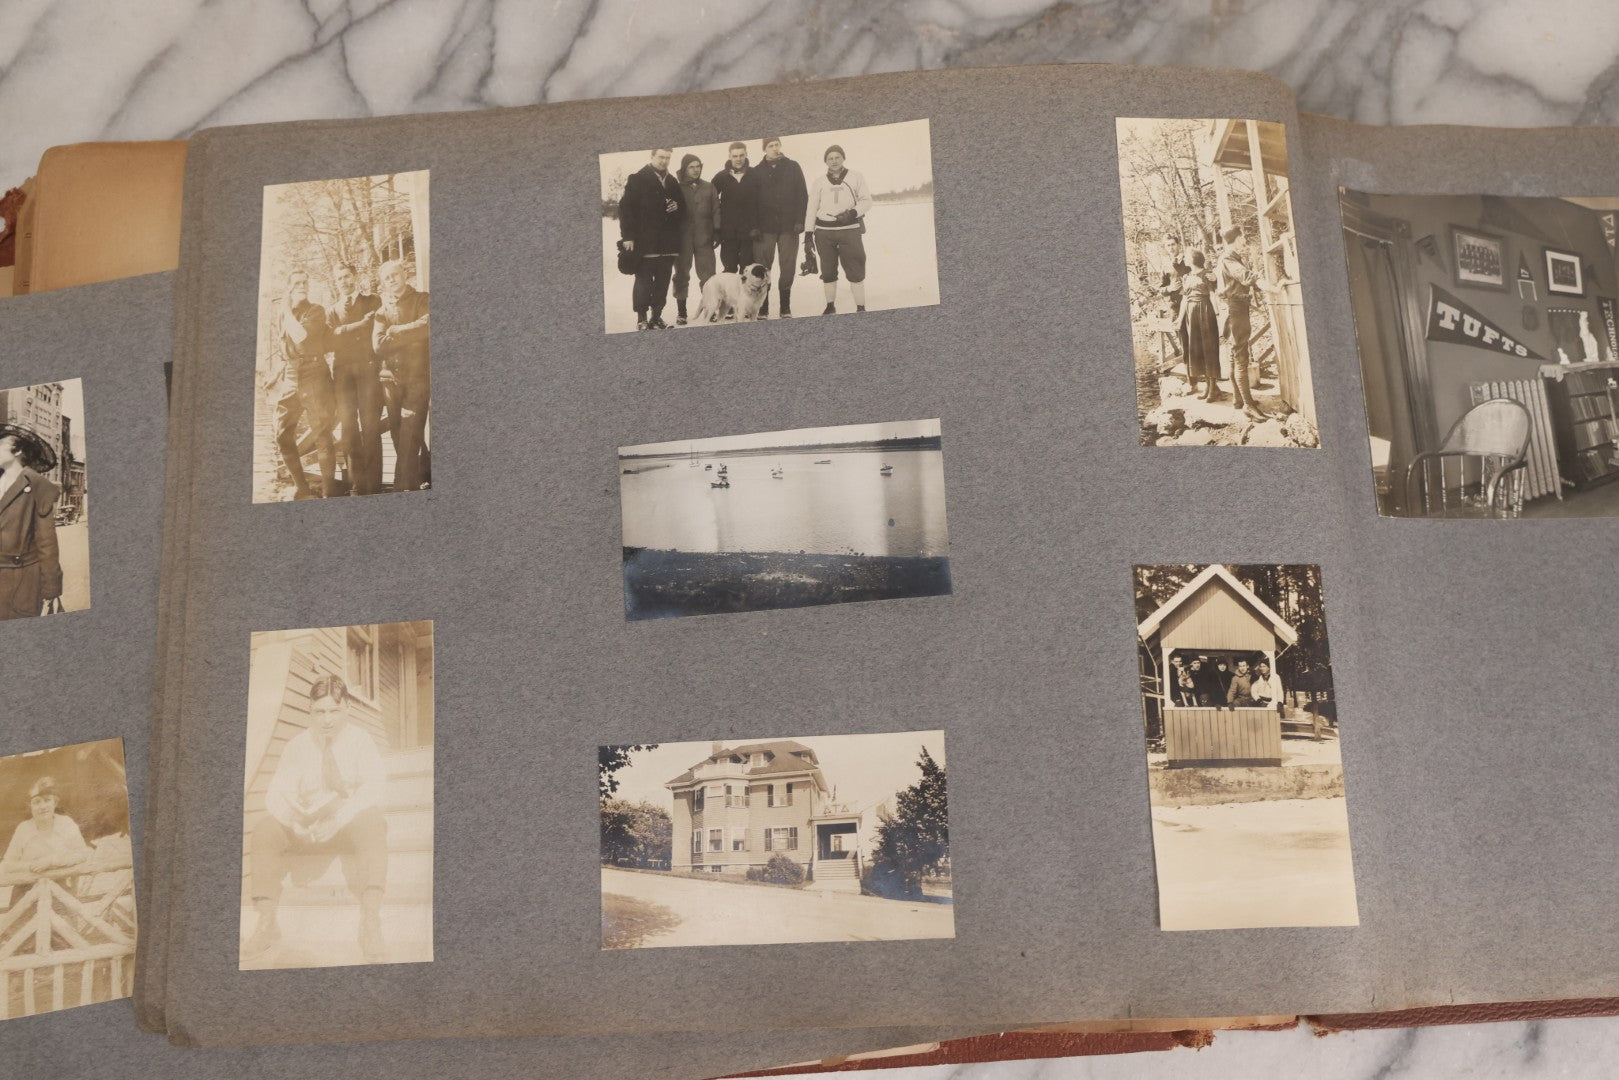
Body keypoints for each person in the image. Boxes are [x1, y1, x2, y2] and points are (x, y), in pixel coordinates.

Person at [242, 674, 389, 965]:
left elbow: (375, 787)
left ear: (346, 707)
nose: (327, 720)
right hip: (306, 829)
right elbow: (277, 793)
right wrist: (293, 820)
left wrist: (340, 818)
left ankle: (371, 921)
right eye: (319, 712)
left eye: (334, 711)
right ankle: (267, 922)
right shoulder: (297, 745)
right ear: (310, 711)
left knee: (373, 822)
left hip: (344, 828)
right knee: (265, 829)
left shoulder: (361, 741)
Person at [264, 270, 338, 500]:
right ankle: (301, 488)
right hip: (291, 376)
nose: (302, 286)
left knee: (321, 433)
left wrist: (285, 310)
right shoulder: (283, 315)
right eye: (297, 283)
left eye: (305, 282)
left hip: (314, 374)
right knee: (282, 434)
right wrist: (277, 373)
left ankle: (328, 490)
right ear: (289, 287)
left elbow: (300, 336)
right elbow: (286, 348)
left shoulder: (316, 310)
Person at [373, 259, 431, 492]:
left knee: (409, 433)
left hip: (417, 378)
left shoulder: (422, 299)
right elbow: (378, 346)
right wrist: (412, 333)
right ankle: (414, 481)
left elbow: (427, 325)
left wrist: (395, 331)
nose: (391, 280)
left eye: (395, 275)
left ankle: (400, 488)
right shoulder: (381, 311)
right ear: (383, 284)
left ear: (404, 275)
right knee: (399, 434)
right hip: (390, 380)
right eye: (387, 278)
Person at [327, 264, 385, 495]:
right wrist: (359, 325)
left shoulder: (373, 301)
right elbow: (330, 340)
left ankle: (374, 486)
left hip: (368, 370)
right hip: (342, 375)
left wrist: (343, 331)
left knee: (371, 426)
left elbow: (377, 328)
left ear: (355, 277)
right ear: (336, 282)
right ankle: (357, 486)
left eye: (348, 277)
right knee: (349, 429)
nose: (345, 282)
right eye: (340, 278)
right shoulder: (332, 311)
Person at [0, 422, 63, 619]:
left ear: (17, 450)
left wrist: (51, 589)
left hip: (22, 582)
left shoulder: (37, 485)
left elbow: (47, 543)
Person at [619, 147, 685, 329]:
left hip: (668, 243)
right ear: (652, 156)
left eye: (667, 158)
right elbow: (626, 210)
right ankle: (642, 318)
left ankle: (656, 317)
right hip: (646, 242)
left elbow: (683, 209)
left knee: (663, 282)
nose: (664, 161)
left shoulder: (672, 181)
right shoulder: (637, 178)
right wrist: (628, 236)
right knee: (644, 281)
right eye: (661, 157)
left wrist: (676, 207)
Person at [804, 144, 873, 315]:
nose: (834, 161)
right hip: (824, 232)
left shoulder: (856, 177)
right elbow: (811, 208)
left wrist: (852, 213)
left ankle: (861, 307)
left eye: (837, 157)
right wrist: (808, 234)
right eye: (830, 158)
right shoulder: (819, 182)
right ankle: (830, 306)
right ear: (825, 161)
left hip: (849, 230)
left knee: (855, 269)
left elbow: (866, 201)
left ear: (843, 158)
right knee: (828, 271)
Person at [745, 136, 807, 318]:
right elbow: (751, 202)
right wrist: (754, 226)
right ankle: (763, 308)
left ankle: (785, 307)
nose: (774, 148)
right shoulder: (756, 172)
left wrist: (799, 221)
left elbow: (802, 195)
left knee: (788, 267)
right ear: (764, 149)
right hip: (765, 230)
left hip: (789, 227)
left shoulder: (793, 167)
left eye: (777, 145)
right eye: (770, 146)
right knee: (763, 269)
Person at [1216, 226, 1268, 421]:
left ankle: (1238, 399)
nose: (1244, 240)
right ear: (1237, 239)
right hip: (1235, 308)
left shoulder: (1230, 257)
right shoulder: (1229, 258)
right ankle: (1248, 405)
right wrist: (1265, 284)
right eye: (1243, 237)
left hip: (1234, 307)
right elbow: (1246, 277)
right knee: (1240, 356)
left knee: (1233, 354)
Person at [0, 777, 89, 880]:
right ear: (30, 806)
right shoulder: (23, 828)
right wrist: (32, 865)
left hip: (61, 886)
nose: (42, 806)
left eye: (47, 800)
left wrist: (51, 861)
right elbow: (8, 864)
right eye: (37, 802)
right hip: (27, 887)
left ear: (55, 803)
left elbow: (82, 854)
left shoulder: (66, 824)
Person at [673, 154, 718, 325]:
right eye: (691, 166)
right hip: (682, 239)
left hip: (704, 237)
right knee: (681, 274)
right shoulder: (676, 188)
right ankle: (681, 311)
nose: (696, 169)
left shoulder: (709, 187)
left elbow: (716, 210)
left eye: (698, 166)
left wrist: (717, 231)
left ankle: (710, 308)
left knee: (708, 275)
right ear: (684, 168)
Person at [1177, 249, 1222, 401]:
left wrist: (1217, 314)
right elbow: (1184, 300)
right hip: (1191, 314)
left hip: (1205, 311)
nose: (1184, 258)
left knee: (1208, 348)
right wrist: (1179, 319)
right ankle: (1209, 387)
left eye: (1187, 256)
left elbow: (1212, 294)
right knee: (1198, 350)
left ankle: (1213, 387)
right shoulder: (1186, 277)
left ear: (1194, 258)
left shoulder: (1207, 274)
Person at [710, 141, 753, 274]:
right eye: (735, 156)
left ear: (746, 155)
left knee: (747, 269)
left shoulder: (754, 174)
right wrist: (716, 229)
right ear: (729, 156)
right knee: (730, 269)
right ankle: (729, 295)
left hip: (749, 232)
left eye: (741, 155)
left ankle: (744, 295)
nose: (738, 159)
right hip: (728, 233)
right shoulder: (721, 176)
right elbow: (711, 200)